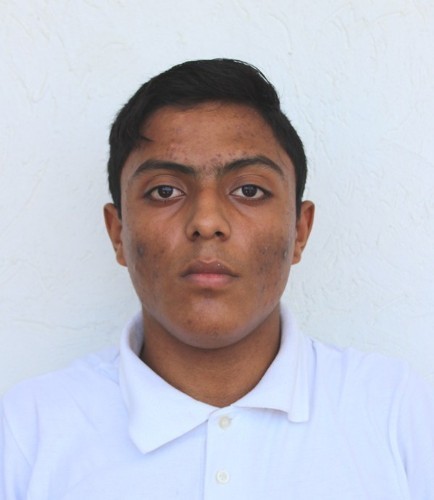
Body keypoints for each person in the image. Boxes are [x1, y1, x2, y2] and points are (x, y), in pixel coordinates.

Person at [1, 59, 433, 499]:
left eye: (249, 190)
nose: (206, 222)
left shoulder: (398, 413)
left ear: (300, 231)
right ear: (118, 233)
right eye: (165, 191)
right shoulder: (27, 432)